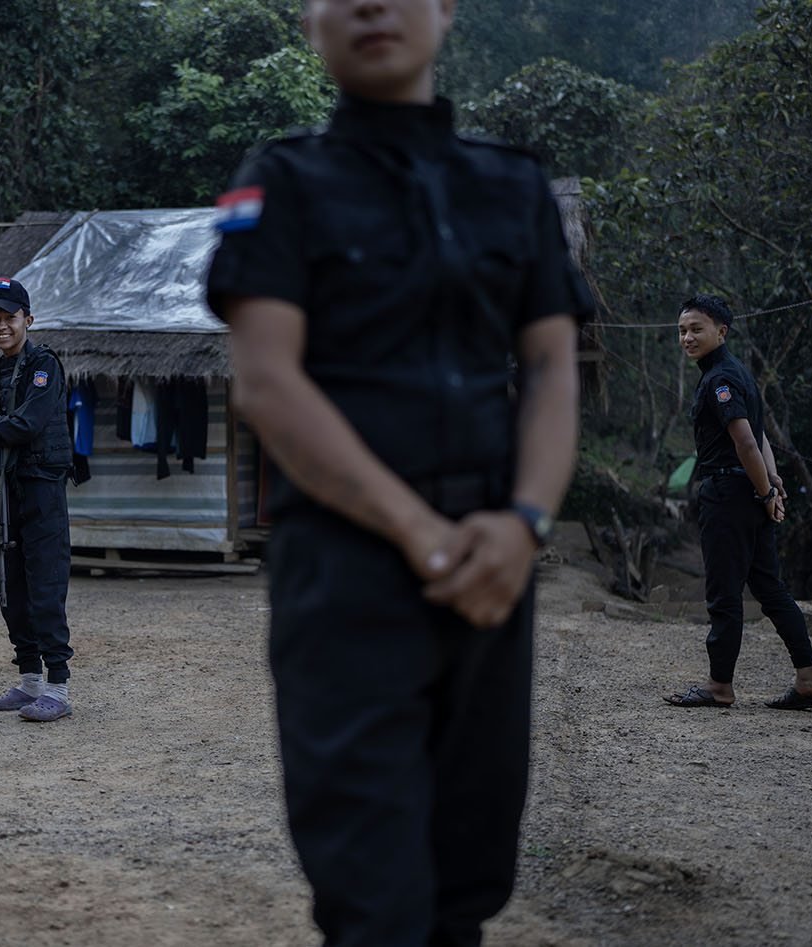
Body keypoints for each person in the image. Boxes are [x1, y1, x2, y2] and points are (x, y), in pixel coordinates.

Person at [203, 1, 590, 943]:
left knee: (469, 881)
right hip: (345, 577)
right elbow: (266, 380)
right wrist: (424, 534)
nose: (372, 5)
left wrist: (524, 522)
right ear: (309, 21)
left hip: (495, 574)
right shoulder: (281, 183)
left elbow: (549, 366)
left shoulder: (513, 185)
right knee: (372, 896)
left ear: (447, 8)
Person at [664, 294, 812, 711]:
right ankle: (809, 675)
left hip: (729, 495)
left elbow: (744, 440)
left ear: (721, 331)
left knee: (724, 592)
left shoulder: (720, 378)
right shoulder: (737, 372)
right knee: (769, 587)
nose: (687, 337)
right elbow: (759, 438)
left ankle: (719, 685)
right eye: (682, 330)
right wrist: (770, 482)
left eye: (696, 329)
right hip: (748, 491)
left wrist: (766, 492)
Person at [0, 277, 75, 722]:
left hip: (41, 488)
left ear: (28, 319)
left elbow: (27, 424)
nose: (1, 326)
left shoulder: (44, 364)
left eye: (9, 318)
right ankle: (30, 681)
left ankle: (58, 688)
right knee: (11, 590)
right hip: (6, 489)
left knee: (45, 587)